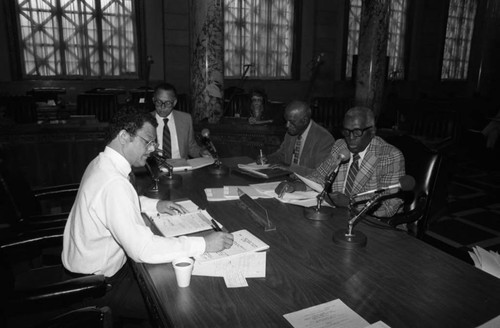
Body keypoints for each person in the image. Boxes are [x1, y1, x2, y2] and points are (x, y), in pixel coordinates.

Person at [62, 106, 234, 326]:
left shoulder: (102, 163)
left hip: (89, 272)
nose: (152, 149)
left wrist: (156, 205)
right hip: (96, 287)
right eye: (147, 141)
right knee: (188, 307)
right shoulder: (113, 183)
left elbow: (116, 203)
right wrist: (204, 243)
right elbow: (143, 249)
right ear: (124, 136)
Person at [275, 106, 405, 217]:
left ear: (372, 132)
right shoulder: (340, 146)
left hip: (374, 225)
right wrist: (295, 186)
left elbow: (390, 206)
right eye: (346, 132)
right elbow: (319, 177)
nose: (350, 138)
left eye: (357, 132)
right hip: (339, 217)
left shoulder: (390, 156)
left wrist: (351, 204)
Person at [266, 100, 335, 176]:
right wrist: (267, 159)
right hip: (288, 181)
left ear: (304, 120)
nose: (287, 125)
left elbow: (320, 174)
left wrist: (290, 168)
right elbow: (282, 155)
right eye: (286, 121)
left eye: (291, 122)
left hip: (307, 185)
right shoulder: (291, 133)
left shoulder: (324, 139)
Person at [151, 82, 210, 158]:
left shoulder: (185, 119)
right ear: (153, 100)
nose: (162, 107)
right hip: (156, 167)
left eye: (168, 103)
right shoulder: (146, 120)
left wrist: (201, 152)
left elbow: (191, 147)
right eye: (158, 102)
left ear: (174, 102)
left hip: (181, 166)